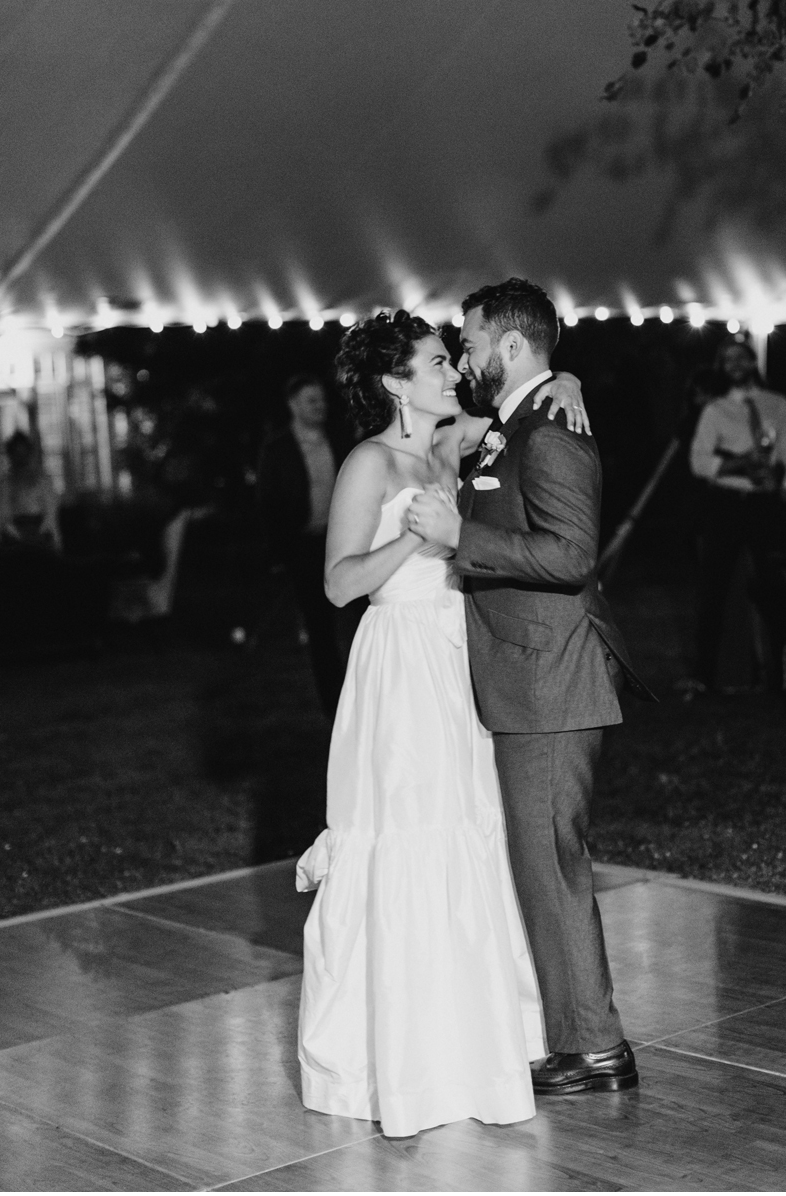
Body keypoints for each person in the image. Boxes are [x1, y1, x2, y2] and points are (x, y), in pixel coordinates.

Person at [295, 310, 591, 1138]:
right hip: (398, 664)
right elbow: (337, 585)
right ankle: (409, 1057)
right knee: (411, 835)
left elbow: (522, 405)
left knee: (474, 830)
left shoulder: (454, 439)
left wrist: (566, 378)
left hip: (460, 654)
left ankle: (481, 1042)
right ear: (394, 382)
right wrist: (415, 540)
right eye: (433, 360)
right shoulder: (368, 462)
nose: (451, 370)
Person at [409, 278, 654, 1100]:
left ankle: (594, 1047)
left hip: (550, 676)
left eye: (470, 339)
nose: (464, 352)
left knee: (552, 860)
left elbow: (570, 555)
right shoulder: (525, 418)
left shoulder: (550, 429)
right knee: (542, 860)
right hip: (528, 673)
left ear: (510, 345)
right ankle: (579, 1038)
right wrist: (562, 377)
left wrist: (459, 538)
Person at [688, 338, 786, 693]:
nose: (734, 364)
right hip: (728, 504)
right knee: (715, 586)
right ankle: (707, 674)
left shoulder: (777, 403)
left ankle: (784, 672)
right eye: (726, 359)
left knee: (774, 587)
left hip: (766, 505)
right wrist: (738, 465)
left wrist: (782, 485)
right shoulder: (715, 410)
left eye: (740, 357)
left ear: (752, 361)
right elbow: (699, 461)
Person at [256, 376, 352, 715]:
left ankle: (361, 692)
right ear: (293, 404)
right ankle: (333, 703)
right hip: (305, 546)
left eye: (322, 399)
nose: (320, 406)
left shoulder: (340, 439)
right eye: (312, 400)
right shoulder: (277, 447)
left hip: (345, 541)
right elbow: (269, 503)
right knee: (319, 627)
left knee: (356, 620)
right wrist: (279, 552)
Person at [0, 430, 61, 550]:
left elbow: (50, 513)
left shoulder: (43, 481)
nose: (21, 459)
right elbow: (3, 516)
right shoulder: (5, 484)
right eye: (17, 454)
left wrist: (39, 534)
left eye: (24, 454)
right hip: (14, 540)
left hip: (41, 535)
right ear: (11, 456)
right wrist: (18, 536)